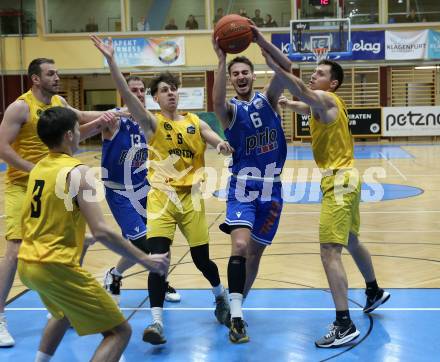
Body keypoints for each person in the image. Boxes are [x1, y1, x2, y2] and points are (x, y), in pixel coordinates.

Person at [91, 35, 233, 345]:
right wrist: (112, 61)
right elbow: (129, 97)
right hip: (161, 199)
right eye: (163, 91)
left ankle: (219, 295)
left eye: (172, 89)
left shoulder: (195, 121)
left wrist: (221, 144)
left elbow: (212, 136)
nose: (170, 94)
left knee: (202, 260)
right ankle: (156, 323)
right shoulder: (151, 124)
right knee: (158, 258)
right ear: (155, 99)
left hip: (192, 198)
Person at [259, 32, 391, 348]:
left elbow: (304, 91)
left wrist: (276, 67)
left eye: (320, 73)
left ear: (332, 84)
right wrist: (289, 104)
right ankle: (373, 289)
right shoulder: (324, 106)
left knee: (329, 251)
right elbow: (307, 107)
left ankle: (344, 323)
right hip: (349, 179)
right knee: (351, 240)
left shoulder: (328, 98)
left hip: (338, 181)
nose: (313, 76)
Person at [17, 106, 169, 362]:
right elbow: (102, 231)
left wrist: (80, 240)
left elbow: (41, 217)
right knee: (120, 332)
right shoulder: (78, 172)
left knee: (63, 313)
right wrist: (146, 260)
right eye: (78, 129)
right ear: (68, 135)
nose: (81, 133)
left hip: (28, 264)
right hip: (57, 266)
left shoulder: (38, 168)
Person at [0, 57, 117, 347]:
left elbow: (78, 123)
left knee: (71, 241)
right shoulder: (20, 107)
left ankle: (64, 308)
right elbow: (1, 147)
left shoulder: (60, 103)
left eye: (58, 73)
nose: (57, 77)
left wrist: (111, 116)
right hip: (22, 184)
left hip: (56, 183)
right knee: (16, 248)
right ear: (35, 79)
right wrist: (34, 170)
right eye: (51, 73)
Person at [212, 28, 287, 343]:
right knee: (240, 246)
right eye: (235, 74)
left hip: (272, 190)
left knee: (254, 255)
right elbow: (215, 101)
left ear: (253, 76)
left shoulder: (269, 100)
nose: (241, 76)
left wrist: (259, 40)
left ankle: (235, 304)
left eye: (245, 72)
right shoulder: (230, 110)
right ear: (231, 79)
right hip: (242, 188)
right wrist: (221, 58)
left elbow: (286, 69)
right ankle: (238, 319)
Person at [101, 75, 180, 303]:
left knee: (161, 237)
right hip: (119, 192)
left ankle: (124, 276)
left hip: (143, 187)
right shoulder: (114, 118)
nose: (137, 95)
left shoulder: (147, 121)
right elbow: (83, 120)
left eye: (141, 91)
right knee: (144, 244)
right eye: (132, 90)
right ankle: (126, 275)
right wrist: (114, 113)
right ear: (124, 93)